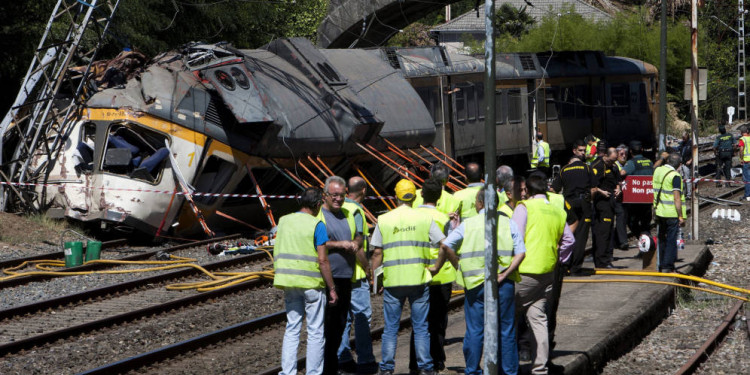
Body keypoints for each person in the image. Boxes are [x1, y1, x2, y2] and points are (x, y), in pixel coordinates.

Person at [435, 187, 525, 375]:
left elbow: (445, 245)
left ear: (481, 203)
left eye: (476, 201)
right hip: (503, 284)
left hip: (475, 285)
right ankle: (508, 371)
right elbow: (521, 253)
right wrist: (505, 272)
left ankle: (473, 370)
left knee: (475, 330)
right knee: (506, 329)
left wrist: (457, 264)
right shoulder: (508, 223)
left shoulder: (468, 225)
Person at [370, 179, 446, 375]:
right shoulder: (423, 219)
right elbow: (444, 244)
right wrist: (436, 267)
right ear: (414, 196)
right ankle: (426, 368)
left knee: (390, 329)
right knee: (421, 327)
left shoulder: (384, 219)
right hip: (418, 281)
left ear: (395, 196)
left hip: (393, 281)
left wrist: (374, 279)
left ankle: (387, 368)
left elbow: (377, 253)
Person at [513, 174, 575, 375]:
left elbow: (514, 237)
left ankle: (506, 367)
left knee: (505, 317)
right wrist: (560, 259)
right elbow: (569, 241)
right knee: (538, 319)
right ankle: (539, 368)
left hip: (523, 273)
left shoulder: (524, 208)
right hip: (547, 273)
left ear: (528, 192)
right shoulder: (556, 211)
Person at [275, 187, 337, 375]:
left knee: (292, 328)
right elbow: (323, 260)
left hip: (289, 282)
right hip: (312, 285)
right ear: (318, 204)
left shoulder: (283, 221)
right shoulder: (317, 225)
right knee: (315, 331)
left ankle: (288, 372)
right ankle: (314, 372)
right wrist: (332, 288)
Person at [318, 176, 366, 375]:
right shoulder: (318, 216)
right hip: (327, 278)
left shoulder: (348, 212)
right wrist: (340, 244)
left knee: (339, 327)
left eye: (342, 195)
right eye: (334, 195)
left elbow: (359, 236)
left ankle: (332, 366)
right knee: (327, 328)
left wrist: (356, 242)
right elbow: (318, 243)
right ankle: (327, 369)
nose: (338, 199)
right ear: (325, 196)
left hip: (346, 277)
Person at [408, 178, 456, 374]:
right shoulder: (444, 219)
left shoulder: (412, 216)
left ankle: (415, 363)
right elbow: (449, 246)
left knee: (419, 321)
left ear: (421, 194)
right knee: (438, 321)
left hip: (418, 273)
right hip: (440, 275)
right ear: (439, 197)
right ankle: (437, 360)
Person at [337, 177, 377, 374]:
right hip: (356, 274)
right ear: (363, 190)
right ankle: (366, 360)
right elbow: (358, 246)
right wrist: (368, 270)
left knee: (343, 318)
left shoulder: (335, 207)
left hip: (339, 273)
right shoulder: (356, 211)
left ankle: (343, 358)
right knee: (361, 317)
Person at [551, 139, 593, 276]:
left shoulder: (563, 170)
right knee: (581, 236)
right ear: (576, 152)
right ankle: (575, 268)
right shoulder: (587, 168)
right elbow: (594, 187)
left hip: (568, 205)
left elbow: (554, 189)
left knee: (568, 234)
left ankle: (564, 265)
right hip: (584, 203)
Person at [652, 153, 686, 272]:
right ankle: (667, 266)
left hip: (659, 211)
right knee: (671, 240)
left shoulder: (658, 171)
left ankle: (661, 263)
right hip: (671, 213)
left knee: (661, 238)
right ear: (679, 165)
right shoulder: (675, 176)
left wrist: (661, 158)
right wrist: (681, 216)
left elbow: (655, 167)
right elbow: (677, 198)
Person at [590, 147, 620, 269]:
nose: (612, 163)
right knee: (603, 232)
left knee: (608, 231)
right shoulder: (597, 166)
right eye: (611, 161)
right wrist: (601, 192)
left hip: (611, 202)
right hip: (601, 203)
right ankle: (602, 261)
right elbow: (591, 185)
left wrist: (619, 188)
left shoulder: (614, 166)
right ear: (605, 156)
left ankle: (606, 258)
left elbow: (617, 180)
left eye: (614, 161)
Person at [622, 140, 654, 237]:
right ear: (642, 150)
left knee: (632, 221)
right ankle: (647, 243)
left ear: (630, 152)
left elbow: (622, 173)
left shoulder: (631, 163)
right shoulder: (649, 162)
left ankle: (643, 241)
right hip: (648, 198)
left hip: (635, 200)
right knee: (645, 223)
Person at [609, 145, 629, 251]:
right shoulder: (616, 165)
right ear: (617, 155)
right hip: (616, 196)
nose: (624, 155)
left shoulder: (626, 164)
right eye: (621, 154)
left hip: (624, 197)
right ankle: (621, 241)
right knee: (620, 217)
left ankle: (618, 240)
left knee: (623, 217)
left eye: (625, 153)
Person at [678, 132, 693, 197]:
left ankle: (689, 193)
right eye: (682, 138)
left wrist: (690, 160)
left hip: (687, 163)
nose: (683, 139)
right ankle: (683, 192)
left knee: (687, 178)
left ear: (687, 137)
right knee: (681, 178)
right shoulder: (682, 143)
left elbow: (694, 153)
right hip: (682, 163)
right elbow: (678, 149)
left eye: (684, 138)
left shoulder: (691, 143)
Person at [740, 126, 750, 201]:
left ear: (741, 132)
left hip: (746, 161)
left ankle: (747, 195)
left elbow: (741, 150)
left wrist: (741, 159)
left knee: (747, 179)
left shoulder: (742, 139)